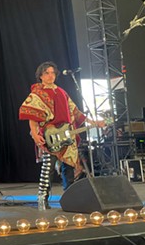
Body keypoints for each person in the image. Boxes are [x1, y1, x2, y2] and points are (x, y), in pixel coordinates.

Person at [19, 61, 105, 210]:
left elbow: (76, 112)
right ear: (40, 75)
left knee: (69, 168)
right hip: (49, 135)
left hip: (67, 134)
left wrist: (93, 122)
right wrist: (34, 134)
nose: (50, 75)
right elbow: (32, 115)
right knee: (48, 168)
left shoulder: (62, 92)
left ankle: (69, 198)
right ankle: (42, 199)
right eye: (47, 73)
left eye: (53, 72)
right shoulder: (37, 94)